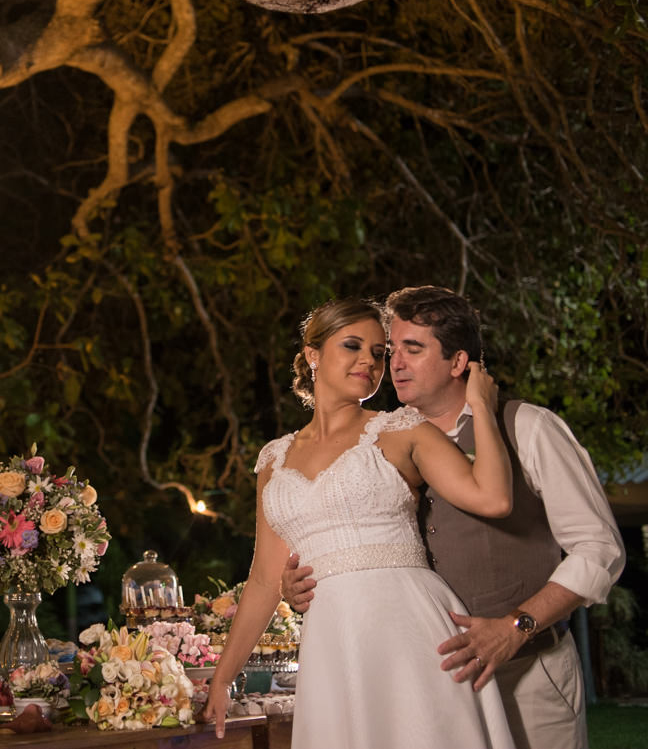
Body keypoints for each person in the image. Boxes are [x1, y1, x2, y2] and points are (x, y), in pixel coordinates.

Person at [282, 286, 625, 749]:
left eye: (413, 349)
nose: (394, 363)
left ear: (458, 362)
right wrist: (299, 581)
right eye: (391, 349)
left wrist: (515, 627)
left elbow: (598, 549)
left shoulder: (527, 427)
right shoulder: (383, 440)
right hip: (428, 680)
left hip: (527, 671)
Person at [204, 298, 516, 748]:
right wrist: (222, 678)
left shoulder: (402, 430)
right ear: (313, 355)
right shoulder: (274, 460)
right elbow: (262, 580)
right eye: (352, 346)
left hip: (409, 624)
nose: (369, 361)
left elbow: (494, 497)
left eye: (378, 352)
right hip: (333, 638)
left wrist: (481, 406)